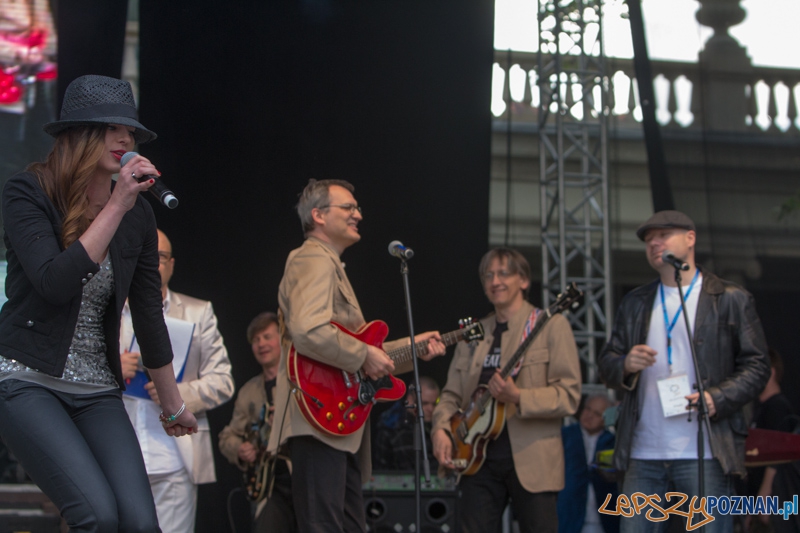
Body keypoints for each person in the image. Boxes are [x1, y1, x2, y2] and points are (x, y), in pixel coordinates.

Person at [0, 74, 197, 532]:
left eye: (130, 131)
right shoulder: (28, 192)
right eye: (112, 128)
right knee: (97, 516)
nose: (126, 138)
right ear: (80, 133)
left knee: (141, 524)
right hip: (27, 379)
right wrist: (117, 204)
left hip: (97, 389)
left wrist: (172, 405)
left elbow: (149, 312)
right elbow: (53, 282)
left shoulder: (139, 213)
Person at [266, 178, 446, 533]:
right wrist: (364, 353)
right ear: (318, 215)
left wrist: (414, 347)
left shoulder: (330, 264)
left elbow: (359, 349)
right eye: (347, 207)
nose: (358, 214)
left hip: (334, 419)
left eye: (357, 208)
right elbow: (309, 330)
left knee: (346, 525)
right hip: (318, 416)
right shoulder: (312, 258)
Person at [597, 210, 770, 533]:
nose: (654, 243)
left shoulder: (729, 299)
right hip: (643, 451)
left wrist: (716, 397)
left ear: (690, 238)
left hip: (706, 450)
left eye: (663, 235)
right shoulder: (635, 302)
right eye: (649, 239)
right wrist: (624, 364)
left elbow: (758, 365)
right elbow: (606, 362)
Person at [431, 247, 582, 533]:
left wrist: (519, 397)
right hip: (477, 460)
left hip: (533, 460)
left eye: (504, 273)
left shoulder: (550, 326)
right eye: (488, 275)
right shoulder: (474, 332)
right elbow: (450, 395)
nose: (495, 281)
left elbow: (569, 395)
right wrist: (440, 428)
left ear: (524, 281)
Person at [119, 228, 235, 532]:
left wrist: (175, 393)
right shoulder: (111, 311)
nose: (152, 263)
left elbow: (223, 380)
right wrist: (112, 369)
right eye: (145, 256)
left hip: (176, 459)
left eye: (159, 257)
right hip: (119, 454)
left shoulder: (198, 312)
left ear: (171, 264)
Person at [219, 311, 297, 533]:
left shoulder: (299, 380)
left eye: (266, 337)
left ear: (281, 339)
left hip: (303, 478)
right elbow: (227, 436)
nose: (261, 344)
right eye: (255, 340)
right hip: (270, 487)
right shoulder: (248, 391)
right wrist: (240, 449)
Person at [744, 348, 799, 533]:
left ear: (771, 372)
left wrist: (765, 496)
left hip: (774, 496)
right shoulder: (761, 408)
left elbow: (779, 457)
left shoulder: (778, 407)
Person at [558, 394, 620, 533]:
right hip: (569, 515)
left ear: (605, 419)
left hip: (604, 517)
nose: (589, 415)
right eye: (588, 409)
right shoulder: (564, 435)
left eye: (597, 413)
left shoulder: (611, 442)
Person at [373, 375, 440, 471]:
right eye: (424, 403)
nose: (431, 409)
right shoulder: (394, 425)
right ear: (410, 400)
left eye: (434, 403)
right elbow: (412, 468)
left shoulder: (434, 424)